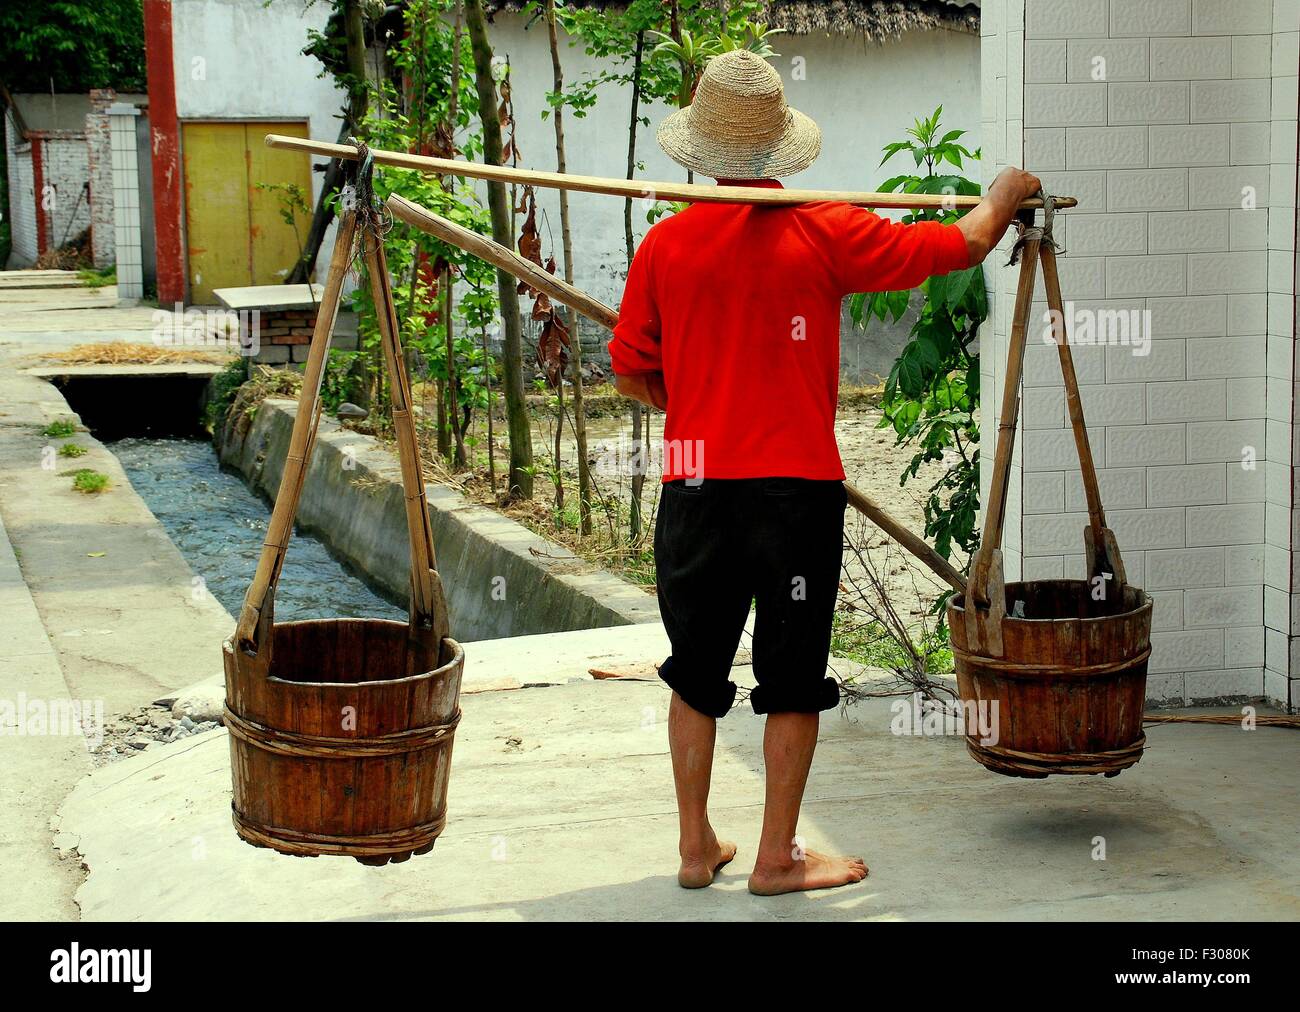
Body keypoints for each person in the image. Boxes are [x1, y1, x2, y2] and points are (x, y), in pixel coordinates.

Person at [608, 50, 1041, 896]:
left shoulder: (665, 244)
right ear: (777, 152)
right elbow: (961, 245)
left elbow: (628, 370)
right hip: (793, 496)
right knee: (790, 676)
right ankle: (776, 858)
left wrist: (697, 398)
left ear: (699, 151)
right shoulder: (829, 229)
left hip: (694, 488)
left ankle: (697, 849)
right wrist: (1004, 191)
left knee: (695, 672)